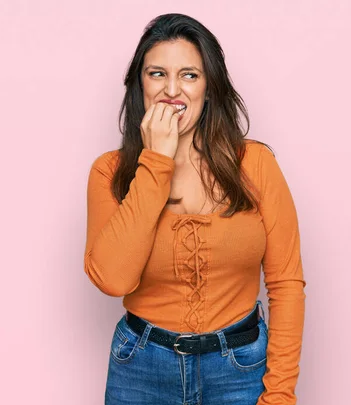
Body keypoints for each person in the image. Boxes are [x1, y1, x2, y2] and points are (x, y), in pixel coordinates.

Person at [84, 13, 306, 405]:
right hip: (141, 371)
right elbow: (113, 280)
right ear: (140, 86)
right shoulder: (110, 172)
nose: (173, 90)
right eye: (157, 74)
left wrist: (281, 395)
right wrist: (156, 161)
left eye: (189, 75)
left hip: (240, 368)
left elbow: (287, 285)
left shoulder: (254, 164)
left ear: (209, 87)